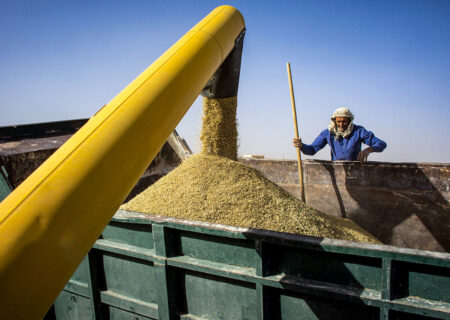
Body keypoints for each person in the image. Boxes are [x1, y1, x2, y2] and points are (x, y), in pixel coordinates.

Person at [293, 107, 386, 162]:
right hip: (337, 169)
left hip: (355, 169)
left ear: (349, 121)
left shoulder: (359, 131)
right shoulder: (327, 133)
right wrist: (301, 145)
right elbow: (312, 149)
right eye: (339, 122)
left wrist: (368, 150)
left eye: (344, 122)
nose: (341, 124)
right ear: (334, 121)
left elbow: (381, 144)